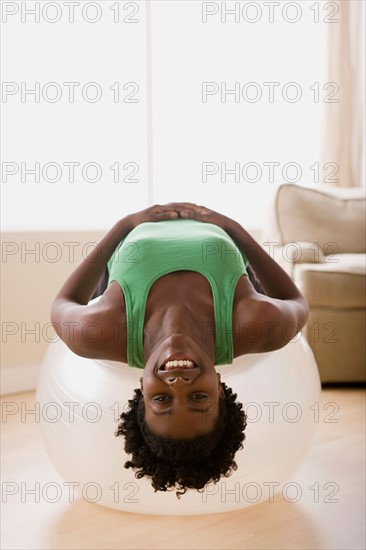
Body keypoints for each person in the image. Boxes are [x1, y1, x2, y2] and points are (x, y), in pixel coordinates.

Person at [51, 202, 309, 497]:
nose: (178, 384)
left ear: (141, 390)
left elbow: (63, 302)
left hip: (121, 279)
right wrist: (233, 229)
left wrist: (124, 225)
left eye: (162, 399)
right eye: (198, 397)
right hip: (231, 275)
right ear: (220, 389)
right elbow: (296, 301)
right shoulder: (256, 324)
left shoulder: (100, 331)